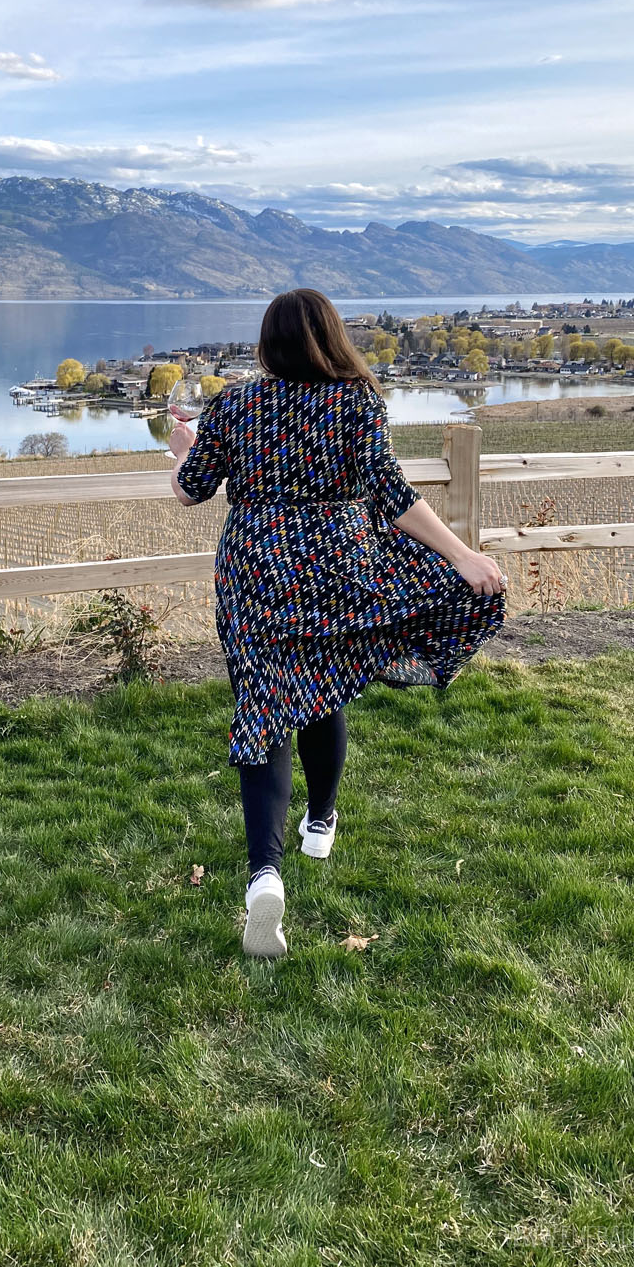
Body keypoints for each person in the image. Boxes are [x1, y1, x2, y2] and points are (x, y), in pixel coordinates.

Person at [169, 288, 507, 958]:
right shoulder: (356, 401)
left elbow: (190, 491)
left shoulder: (234, 403)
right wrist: (464, 556)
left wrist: (182, 448)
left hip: (255, 572)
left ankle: (265, 874)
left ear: (269, 343)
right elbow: (394, 497)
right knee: (322, 684)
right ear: (332, 337)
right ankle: (319, 823)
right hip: (336, 567)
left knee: (263, 701)